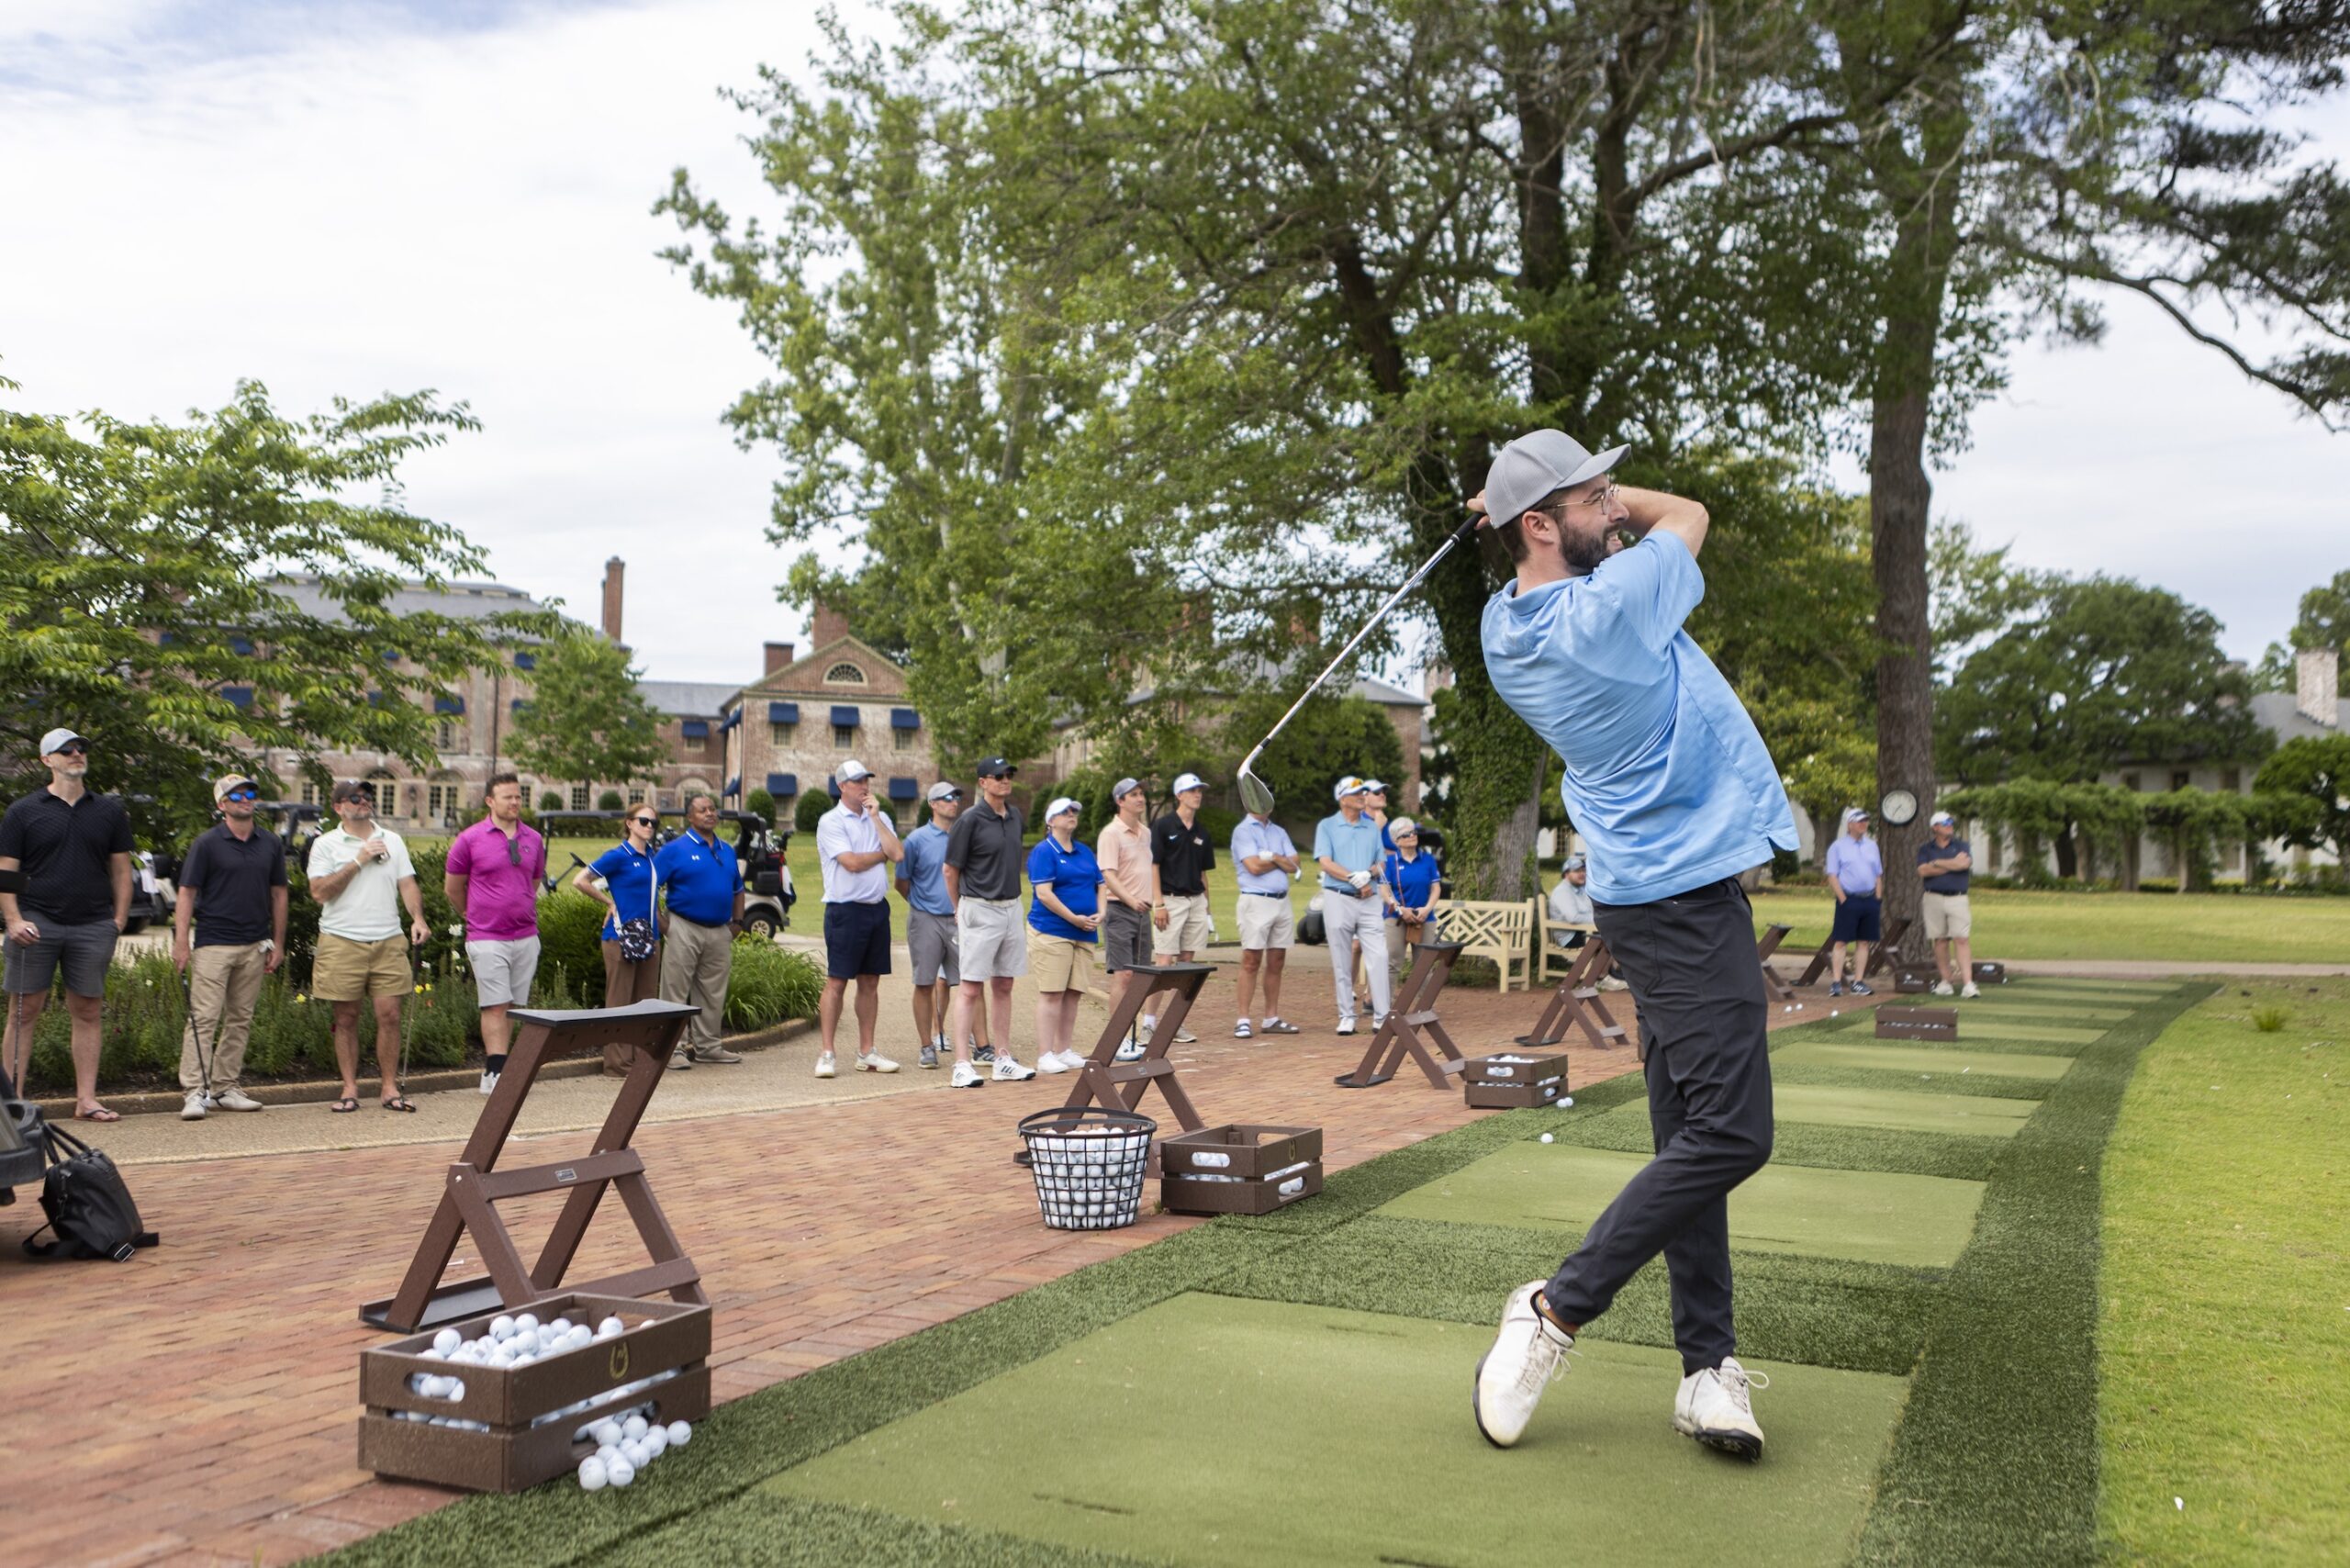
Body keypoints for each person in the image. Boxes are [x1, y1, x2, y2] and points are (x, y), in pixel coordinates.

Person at [1471, 427, 1798, 1460]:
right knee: (1734, 1136)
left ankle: (1706, 1366)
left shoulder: (1503, 624)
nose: (1617, 508)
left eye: (1612, 490)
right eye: (1595, 497)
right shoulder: (1610, 606)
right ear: (1540, 525)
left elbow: (1579, 536)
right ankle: (1556, 1309)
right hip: (1684, 898)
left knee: (1690, 1135)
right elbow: (1688, 514)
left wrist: (1531, 506)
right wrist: (1595, 502)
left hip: (1640, 894)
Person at [307, 778, 431, 1113]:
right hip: (341, 940)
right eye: (354, 798)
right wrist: (359, 860)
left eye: (367, 796)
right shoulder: (326, 844)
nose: (363, 801)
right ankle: (349, 1088)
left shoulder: (392, 840)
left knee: (390, 1015)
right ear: (338, 807)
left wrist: (418, 918)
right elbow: (319, 892)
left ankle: (389, 1088)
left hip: (388, 939)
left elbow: (407, 884)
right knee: (346, 1017)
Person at [172, 773, 288, 1119]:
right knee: (203, 1019)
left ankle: (225, 1087)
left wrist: (279, 942)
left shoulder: (270, 843)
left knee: (240, 1019)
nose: (245, 799)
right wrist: (181, 942)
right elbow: (186, 893)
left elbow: (279, 894)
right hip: (213, 943)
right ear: (222, 804)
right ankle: (195, 1091)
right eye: (236, 796)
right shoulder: (207, 843)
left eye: (250, 793)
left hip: (255, 943)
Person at [444, 771, 545, 1093]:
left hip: (525, 934)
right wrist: (471, 913)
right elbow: (453, 888)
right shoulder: (470, 839)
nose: (515, 802)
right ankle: (497, 1071)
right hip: (486, 936)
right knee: (495, 1004)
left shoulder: (534, 839)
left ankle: (496, 1071)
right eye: (508, 797)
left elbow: (533, 882)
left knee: (513, 1005)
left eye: (518, 796)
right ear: (490, 801)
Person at [945, 757, 1035, 1086]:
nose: (1005, 780)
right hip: (979, 907)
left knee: (1004, 984)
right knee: (970, 986)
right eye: (998, 776)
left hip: (1011, 907)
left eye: (1008, 774)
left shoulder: (1015, 816)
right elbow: (950, 870)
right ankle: (961, 1064)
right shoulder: (969, 820)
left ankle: (1002, 1059)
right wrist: (959, 907)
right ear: (983, 782)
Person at [813, 760, 903, 1078]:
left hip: (876, 908)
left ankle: (867, 1052)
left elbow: (898, 853)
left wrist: (876, 818)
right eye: (856, 781)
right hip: (845, 910)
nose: (864, 786)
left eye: (866, 780)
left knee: (870, 982)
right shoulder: (831, 821)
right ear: (842, 786)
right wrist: (880, 855)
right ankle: (827, 1053)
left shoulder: (880, 817)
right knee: (837, 981)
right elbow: (850, 862)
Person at [655, 791, 745, 1070]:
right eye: (702, 810)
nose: (709, 813)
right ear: (690, 817)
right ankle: (673, 1050)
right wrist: (663, 924)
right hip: (683, 926)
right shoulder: (674, 850)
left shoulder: (726, 850)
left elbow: (738, 889)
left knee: (713, 992)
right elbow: (649, 885)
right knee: (675, 991)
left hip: (719, 930)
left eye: (712, 809)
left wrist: (738, 924)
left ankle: (709, 1047)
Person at [573, 801, 664, 1076]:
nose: (649, 826)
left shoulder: (652, 857)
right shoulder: (618, 855)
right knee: (620, 1001)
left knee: (646, 1000)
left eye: (653, 822)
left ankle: (641, 1060)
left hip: (650, 937)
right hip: (620, 937)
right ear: (629, 823)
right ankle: (618, 1064)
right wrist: (608, 903)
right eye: (643, 821)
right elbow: (580, 880)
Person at [900, 779, 985, 1070]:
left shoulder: (965, 836)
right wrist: (922, 903)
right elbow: (902, 881)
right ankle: (927, 1046)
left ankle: (982, 1046)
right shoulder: (916, 840)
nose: (954, 802)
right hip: (925, 919)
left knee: (972, 981)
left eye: (956, 797)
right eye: (947, 798)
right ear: (933, 804)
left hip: (961, 918)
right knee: (924, 983)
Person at [1027, 796, 1102, 1074]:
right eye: (1065, 812)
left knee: (1073, 993)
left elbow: (1101, 885)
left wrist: (1101, 913)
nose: (1072, 815)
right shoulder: (1044, 851)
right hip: (1053, 931)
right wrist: (1073, 918)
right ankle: (1045, 1054)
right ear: (1051, 821)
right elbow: (1044, 894)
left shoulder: (1084, 851)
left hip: (1085, 932)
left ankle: (1064, 1050)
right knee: (1052, 992)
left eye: (1074, 811)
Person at [1314, 778, 1390, 1036]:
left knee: (1379, 957)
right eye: (1356, 793)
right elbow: (1325, 862)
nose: (1362, 796)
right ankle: (1347, 1015)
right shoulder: (1327, 826)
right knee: (1342, 959)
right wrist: (1352, 878)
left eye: (1362, 792)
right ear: (1342, 798)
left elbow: (1381, 863)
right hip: (1338, 897)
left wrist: (1368, 874)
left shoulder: (1372, 827)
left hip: (1369, 899)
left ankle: (1382, 1015)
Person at [1146, 770, 1215, 1042]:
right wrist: (1159, 904)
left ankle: (1174, 1024)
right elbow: (1154, 866)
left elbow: (1203, 873)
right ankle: (1149, 1023)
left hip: (1196, 901)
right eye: (1193, 791)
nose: (1198, 795)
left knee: (1187, 963)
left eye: (1200, 791)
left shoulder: (1202, 831)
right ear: (1179, 795)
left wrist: (1207, 910)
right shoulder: (1163, 826)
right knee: (1164, 961)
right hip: (1170, 900)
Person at [1094, 777, 1156, 1060]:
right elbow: (1107, 874)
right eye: (1133, 795)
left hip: (1142, 912)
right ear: (1120, 801)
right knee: (1124, 975)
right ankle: (1116, 1041)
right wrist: (1131, 900)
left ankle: (1131, 1039)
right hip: (1119, 910)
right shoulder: (1111, 833)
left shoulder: (1146, 833)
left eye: (1141, 793)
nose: (1140, 798)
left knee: (1140, 977)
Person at [1229, 799, 1302, 1039]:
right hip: (1255, 900)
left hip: (1282, 901)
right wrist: (1280, 861)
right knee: (1251, 960)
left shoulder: (1278, 831)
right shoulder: (1243, 831)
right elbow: (1253, 867)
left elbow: (1295, 864)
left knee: (1277, 960)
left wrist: (1272, 857)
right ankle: (1243, 1019)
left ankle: (1271, 1017)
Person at [1918, 811, 1980, 998]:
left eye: (1951, 823)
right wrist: (1952, 864)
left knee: (1962, 938)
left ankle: (1968, 984)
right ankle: (1946, 981)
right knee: (1940, 940)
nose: (1950, 826)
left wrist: (1937, 863)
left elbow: (1964, 864)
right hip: (1933, 898)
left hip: (1957, 898)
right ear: (1935, 827)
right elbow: (1923, 871)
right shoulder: (1926, 849)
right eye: (1945, 823)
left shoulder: (1961, 845)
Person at [1822, 806, 1883, 998]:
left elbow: (1878, 874)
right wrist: (1843, 899)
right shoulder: (1838, 847)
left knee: (1864, 942)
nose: (1864, 824)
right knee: (1841, 941)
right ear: (1850, 824)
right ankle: (1836, 982)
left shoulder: (1872, 846)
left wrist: (1878, 898)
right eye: (1860, 821)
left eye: (1865, 820)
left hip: (1869, 900)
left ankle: (1858, 981)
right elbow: (1832, 875)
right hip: (1849, 899)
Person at [1381, 816, 1442, 974]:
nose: (1412, 836)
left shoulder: (1428, 860)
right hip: (1396, 918)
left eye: (1414, 832)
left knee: (1424, 966)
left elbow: (1436, 888)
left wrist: (1427, 909)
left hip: (1424, 918)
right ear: (1396, 841)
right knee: (1391, 965)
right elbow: (1385, 891)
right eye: (1406, 834)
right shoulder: (1389, 862)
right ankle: (1386, 993)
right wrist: (1400, 909)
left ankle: (1424, 993)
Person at [1547, 854, 1594, 948]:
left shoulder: (1581, 889)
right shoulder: (1562, 891)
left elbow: (1591, 910)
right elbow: (1573, 918)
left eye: (1583, 870)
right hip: (1570, 937)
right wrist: (1599, 920)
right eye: (1577, 871)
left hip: (1584, 930)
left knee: (1613, 935)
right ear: (1566, 874)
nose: (1582, 874)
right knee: (1610, 939)